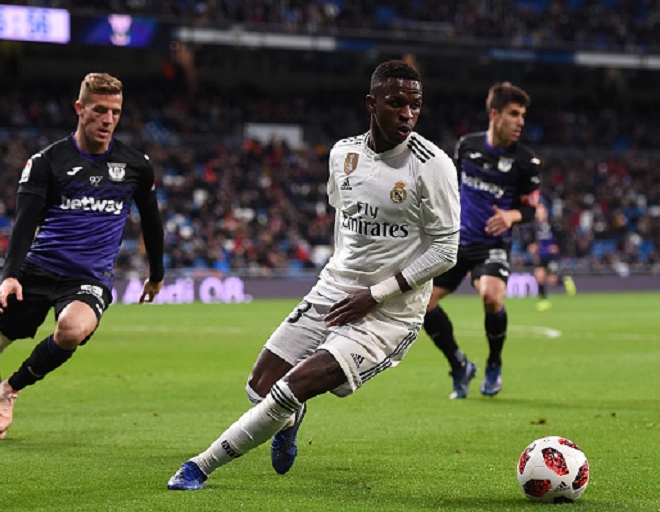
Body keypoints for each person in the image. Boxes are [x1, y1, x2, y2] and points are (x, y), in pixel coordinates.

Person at [166, 59, 461, 490]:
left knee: (289, 387)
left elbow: (446, 250)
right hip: (335, 289)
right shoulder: (344, 155)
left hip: (389, 313)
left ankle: (199, 466)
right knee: (259, 385)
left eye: (415, 106)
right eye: (396, 103)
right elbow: (345, 216)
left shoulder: (432, 165)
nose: (407, 114)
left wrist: (376, 293)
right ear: (371, 103)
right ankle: (290, 422)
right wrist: (345, 278)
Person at [0, 72, 165, 441]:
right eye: (99, 110)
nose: (108, 119)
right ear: (80, 109)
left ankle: (10, 390)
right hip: (37, 269)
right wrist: (11, 276)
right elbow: (24, 223)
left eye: (115, 112)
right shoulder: (47, 162)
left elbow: (152, 220)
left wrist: (156, 274)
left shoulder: (136, 165)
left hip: (89, 278)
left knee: (72, 329)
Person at [422, 82, 542, 400]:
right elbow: (450, 187)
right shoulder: (467, 146)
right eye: (514, 114)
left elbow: (530, 210)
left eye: (523, 115)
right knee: (423, 304)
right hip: (456, 243)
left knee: (491, 296)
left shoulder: (526, 163)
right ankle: (460, 365)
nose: (520, 122)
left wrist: (510, 216)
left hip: (492, 244)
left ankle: (493, 363)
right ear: (494, 114)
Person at [528, 203, 576, 311]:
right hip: (542, 255)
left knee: (552, 280)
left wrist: (557, 246)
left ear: (545, 212)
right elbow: (533, 240)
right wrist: (533, 246)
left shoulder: (553, 224)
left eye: (541, 211)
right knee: (539, 276)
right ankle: (544, 301)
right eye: (537, 212)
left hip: (552, 256)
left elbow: (563, 237)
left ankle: (564, 279)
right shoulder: (535, 226)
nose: (539, 214)